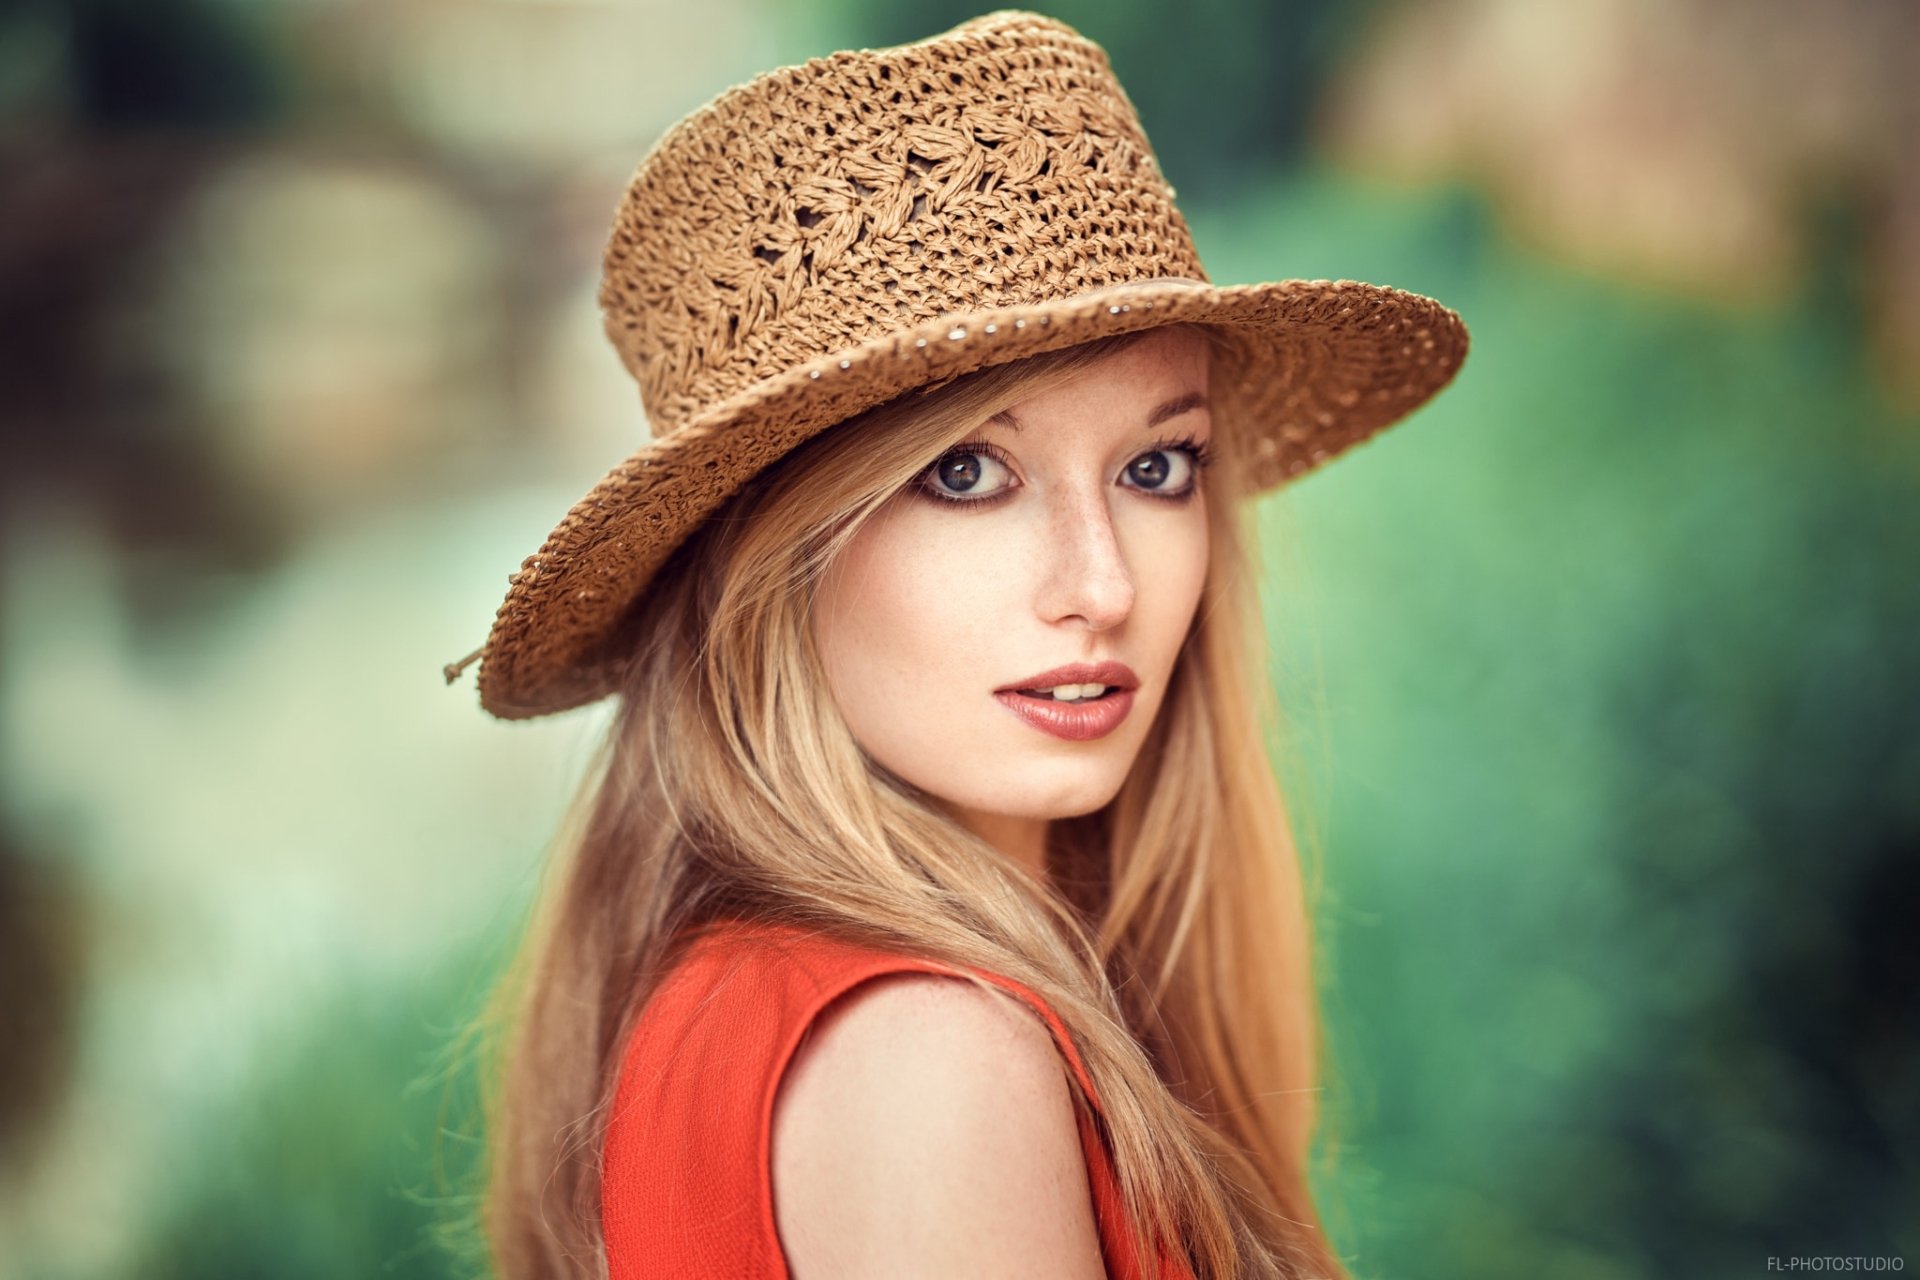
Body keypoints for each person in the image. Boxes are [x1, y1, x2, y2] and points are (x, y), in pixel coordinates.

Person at [444, 11, 1467, 1279]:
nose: (1102, 585)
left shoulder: (732, 991)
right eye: (968, 471)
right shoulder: (933, 1055)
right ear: (765, 559)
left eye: (1157, 465)